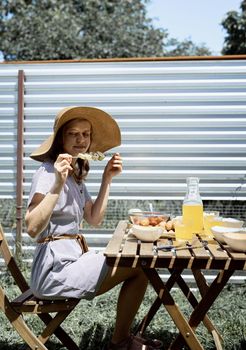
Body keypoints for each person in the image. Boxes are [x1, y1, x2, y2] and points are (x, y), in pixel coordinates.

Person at [25, 106, 162, 350]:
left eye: (86, 134)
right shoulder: (48, 172)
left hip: (74, 261)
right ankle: (120, 342)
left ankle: (122, 339)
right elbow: (32, 228)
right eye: (73, 134)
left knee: (139, 264)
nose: (81, 140)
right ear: (60, 139)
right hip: (53, 271)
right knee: (138, 266)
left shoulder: (75, 174)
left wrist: (107, 179)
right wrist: (57, 183)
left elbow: (94, 218)